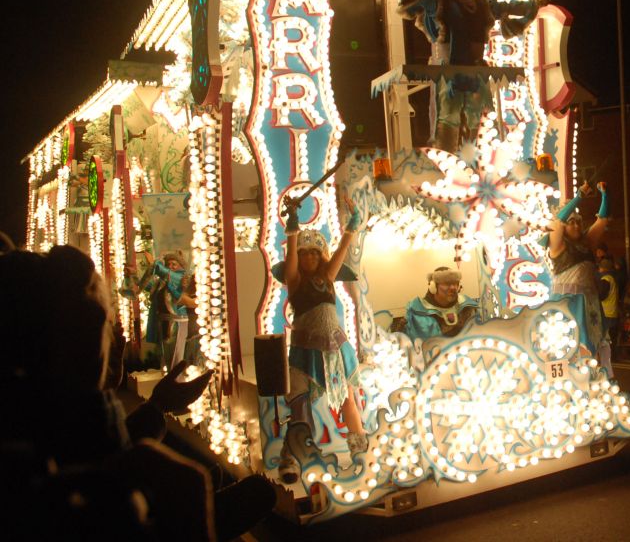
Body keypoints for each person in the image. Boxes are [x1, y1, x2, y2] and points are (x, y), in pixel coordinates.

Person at [0, 244, 274, 540]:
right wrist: (193, 515)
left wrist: (157, 405)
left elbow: (106, 448)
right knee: (257, 493)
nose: (114, 336)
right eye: (105, 326)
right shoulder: (53, 464)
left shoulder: (48, 412)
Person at [392, 0, 550, 151]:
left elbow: (508, 7)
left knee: (477, 120)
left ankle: (474, 158)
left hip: (475, 72)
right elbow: (414, 3)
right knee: (448, 119)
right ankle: (446, 158)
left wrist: (536, 4)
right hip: (449, 73)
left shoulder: (481, 3)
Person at [278, 198, 365, 484]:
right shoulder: (294, 280)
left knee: (347, 398)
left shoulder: (327, 277)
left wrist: (352, 226)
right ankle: (292, 455)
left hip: (335, 347)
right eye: (304, 254)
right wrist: (293, 225)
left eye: (315, 253)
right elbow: (291, 257)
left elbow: (341, 251)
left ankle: (359, 448)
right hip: (305, 350)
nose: (309, 258)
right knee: (299, 403)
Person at [548, 181, 610, 367]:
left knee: (593, 343)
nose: (576, 225)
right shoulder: (557, 245)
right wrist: (579, 197)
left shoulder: (587, 243)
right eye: (571, 222)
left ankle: (594, 374)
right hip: (566, 302)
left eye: (578, 222)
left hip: (589, 302)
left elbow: (602, 220)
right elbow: (558, 222)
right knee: (566, 345)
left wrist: (605, 195)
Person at [392, 266, 477, 341]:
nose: (452, 287)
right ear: (433, 287)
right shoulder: (417, 312)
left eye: (455, 283)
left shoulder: (466, 307)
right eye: (446, 283)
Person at [597, 256, 619, 377]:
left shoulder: (605, 279)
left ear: (602, 268)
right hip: (612, 311)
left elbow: (601, 295)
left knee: (607, 338)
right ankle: (613, 357)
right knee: (611, 337)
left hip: (606, 312)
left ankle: (610, 359)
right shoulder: (612, 278)